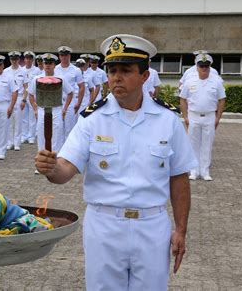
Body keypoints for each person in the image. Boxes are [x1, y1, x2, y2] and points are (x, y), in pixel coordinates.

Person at [35, 34, 197, 290]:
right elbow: (66, 168)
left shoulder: (168, 120)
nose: (116, 77)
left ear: (145, 76)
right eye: (112, 70)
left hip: (152, 227)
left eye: (125, 70)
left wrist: (181, 230)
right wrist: (51, 168)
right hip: (105, 226)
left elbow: (179, 178)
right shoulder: (91, 119)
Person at [180, 53, 226, 181]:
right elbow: (182, 100)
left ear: (210, 67)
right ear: (197, 66)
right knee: (193, 144)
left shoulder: (216, 82)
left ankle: (205, 171)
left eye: (206, 66)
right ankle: (193, 170)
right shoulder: (189, 82)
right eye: (201, 66)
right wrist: (185, 117)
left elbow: (222, 100)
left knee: (207, 144)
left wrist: (218, 117)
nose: (204, 68)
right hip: (193, 115)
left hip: (209, 116)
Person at [29, 53, 73, 156]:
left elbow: (70, 93)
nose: (48, 65)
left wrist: (65, 109)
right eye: (46, 63)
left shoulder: (61, 78)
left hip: (56, 109)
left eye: (50, 63)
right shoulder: (36, 79)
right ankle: (42, 160)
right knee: (41, 136)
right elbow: (30, 95)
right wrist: (35, 109)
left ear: (54, 64)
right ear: (43, 65)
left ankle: (55, 160)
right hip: (42, 109)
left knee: (57, 137)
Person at [55, 46, 84, 140]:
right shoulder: (55, 69)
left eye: (66, 55)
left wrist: (79, 103)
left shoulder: (76, 70)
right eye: (62, 55)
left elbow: (82, 87)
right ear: (59, 56)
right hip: (57, 101)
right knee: (58, 128)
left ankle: (68, 153)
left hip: (71, 102)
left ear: (69, 56)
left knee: (69, 128)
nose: (64, 57)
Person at [4, 51, 27, 151]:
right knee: (8, 121)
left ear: (18, 59)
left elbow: (26, 87)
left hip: (19, 97)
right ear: (10, 60)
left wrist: (24, 100)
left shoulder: (23, 71)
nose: (14, 61)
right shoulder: (5, 71)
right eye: (12, 59)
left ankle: (17, 143)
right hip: (8, 98)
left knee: (18, 121)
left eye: (16, 59)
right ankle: (9, 142)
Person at [22, 51, 41, 144]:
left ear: (32, 60)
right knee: (24, 117)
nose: (28, 60)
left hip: (33, 95)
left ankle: (31, 136)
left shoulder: (37, 70)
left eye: (30, 58)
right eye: (26, 58)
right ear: (24, 59)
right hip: (23, 96)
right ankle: (24, 135)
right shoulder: (21, 70)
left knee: (32, 116)